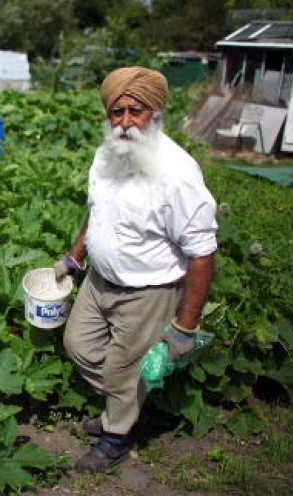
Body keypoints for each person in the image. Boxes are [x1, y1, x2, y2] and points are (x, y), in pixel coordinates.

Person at [53, 66, 218, 473]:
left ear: (156, 113)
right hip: (99, 280)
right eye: (117, 112)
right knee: (79, 345)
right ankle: (123, 405)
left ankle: (115, 439)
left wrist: (184, 328)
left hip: (148, 290)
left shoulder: (177, 175)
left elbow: (202, 254)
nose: (125, 122)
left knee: (123, 369)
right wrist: (75, 256)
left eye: (136, 111)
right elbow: (97, 209)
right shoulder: (108, 153)